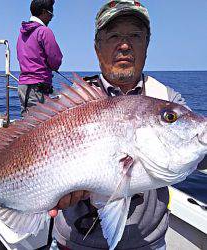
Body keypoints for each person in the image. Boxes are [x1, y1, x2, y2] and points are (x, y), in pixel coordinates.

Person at [47, 1, 207, 250]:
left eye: (135, 35)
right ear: (98, 47)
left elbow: (197, 149)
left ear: (146, 45)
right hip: (72, 244)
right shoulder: (64, 106)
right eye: (114, 36)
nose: (124, 45)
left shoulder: (168, 100)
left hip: (147, 245)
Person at [17, 0, 63, 113]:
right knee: (41, 124)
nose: (51, 17)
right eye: (51, 13)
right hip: (38, 88)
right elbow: (56, 60)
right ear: (43, 12)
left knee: (27, 124)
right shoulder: (44, 31)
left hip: (23, 86)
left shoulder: (22, 33)